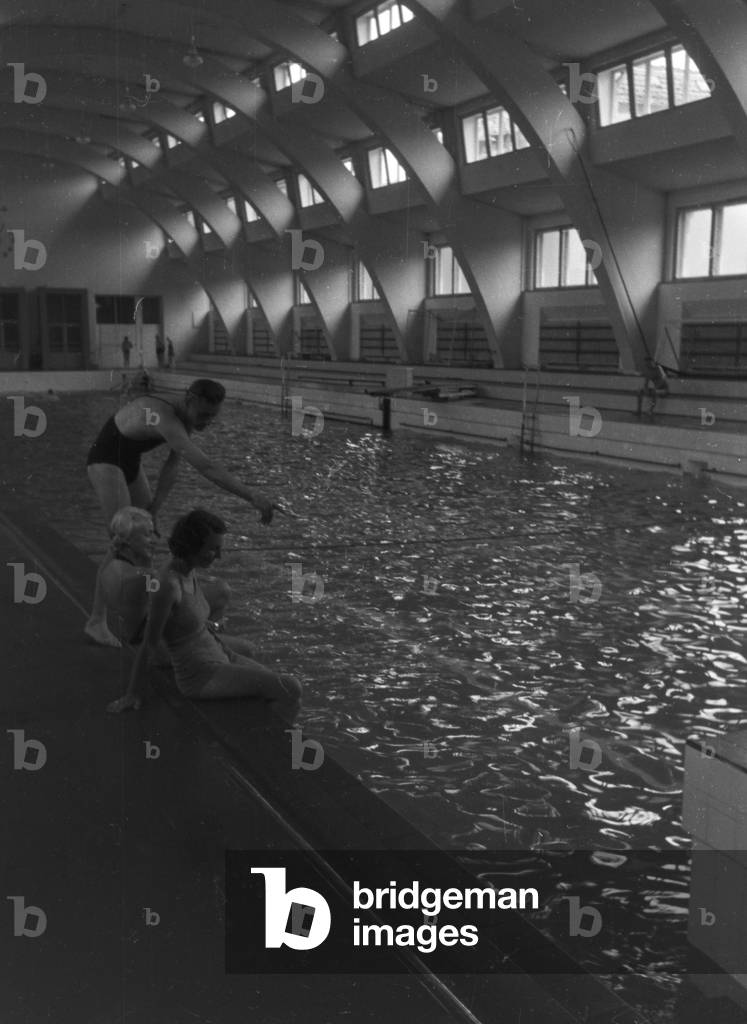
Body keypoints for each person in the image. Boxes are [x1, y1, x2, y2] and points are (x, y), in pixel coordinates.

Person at [84, 378, 278, 647]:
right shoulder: (166, 418)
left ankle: (143, 617)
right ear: (190, 400)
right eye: (204, 415)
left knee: (148, 538)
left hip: (130, 461)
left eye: (212, 417)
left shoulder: (185, 416)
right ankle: (97, 621)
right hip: (106, 460)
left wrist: (156, 506)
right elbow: (206, 467)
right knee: (122, 542)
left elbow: (173, 465)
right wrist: (252, 496)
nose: (206, 422)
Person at [106, 510, 301, 720]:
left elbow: (183, 618)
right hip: (200, 674)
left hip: (218, 652)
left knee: (282, 687)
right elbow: (149, 644)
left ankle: (272, 734)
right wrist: (132, 693)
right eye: (213, 549)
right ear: (192, 546)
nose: (219, 556)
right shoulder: (168, 585)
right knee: (290, 687)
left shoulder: (188, 568)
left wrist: (207, 625)